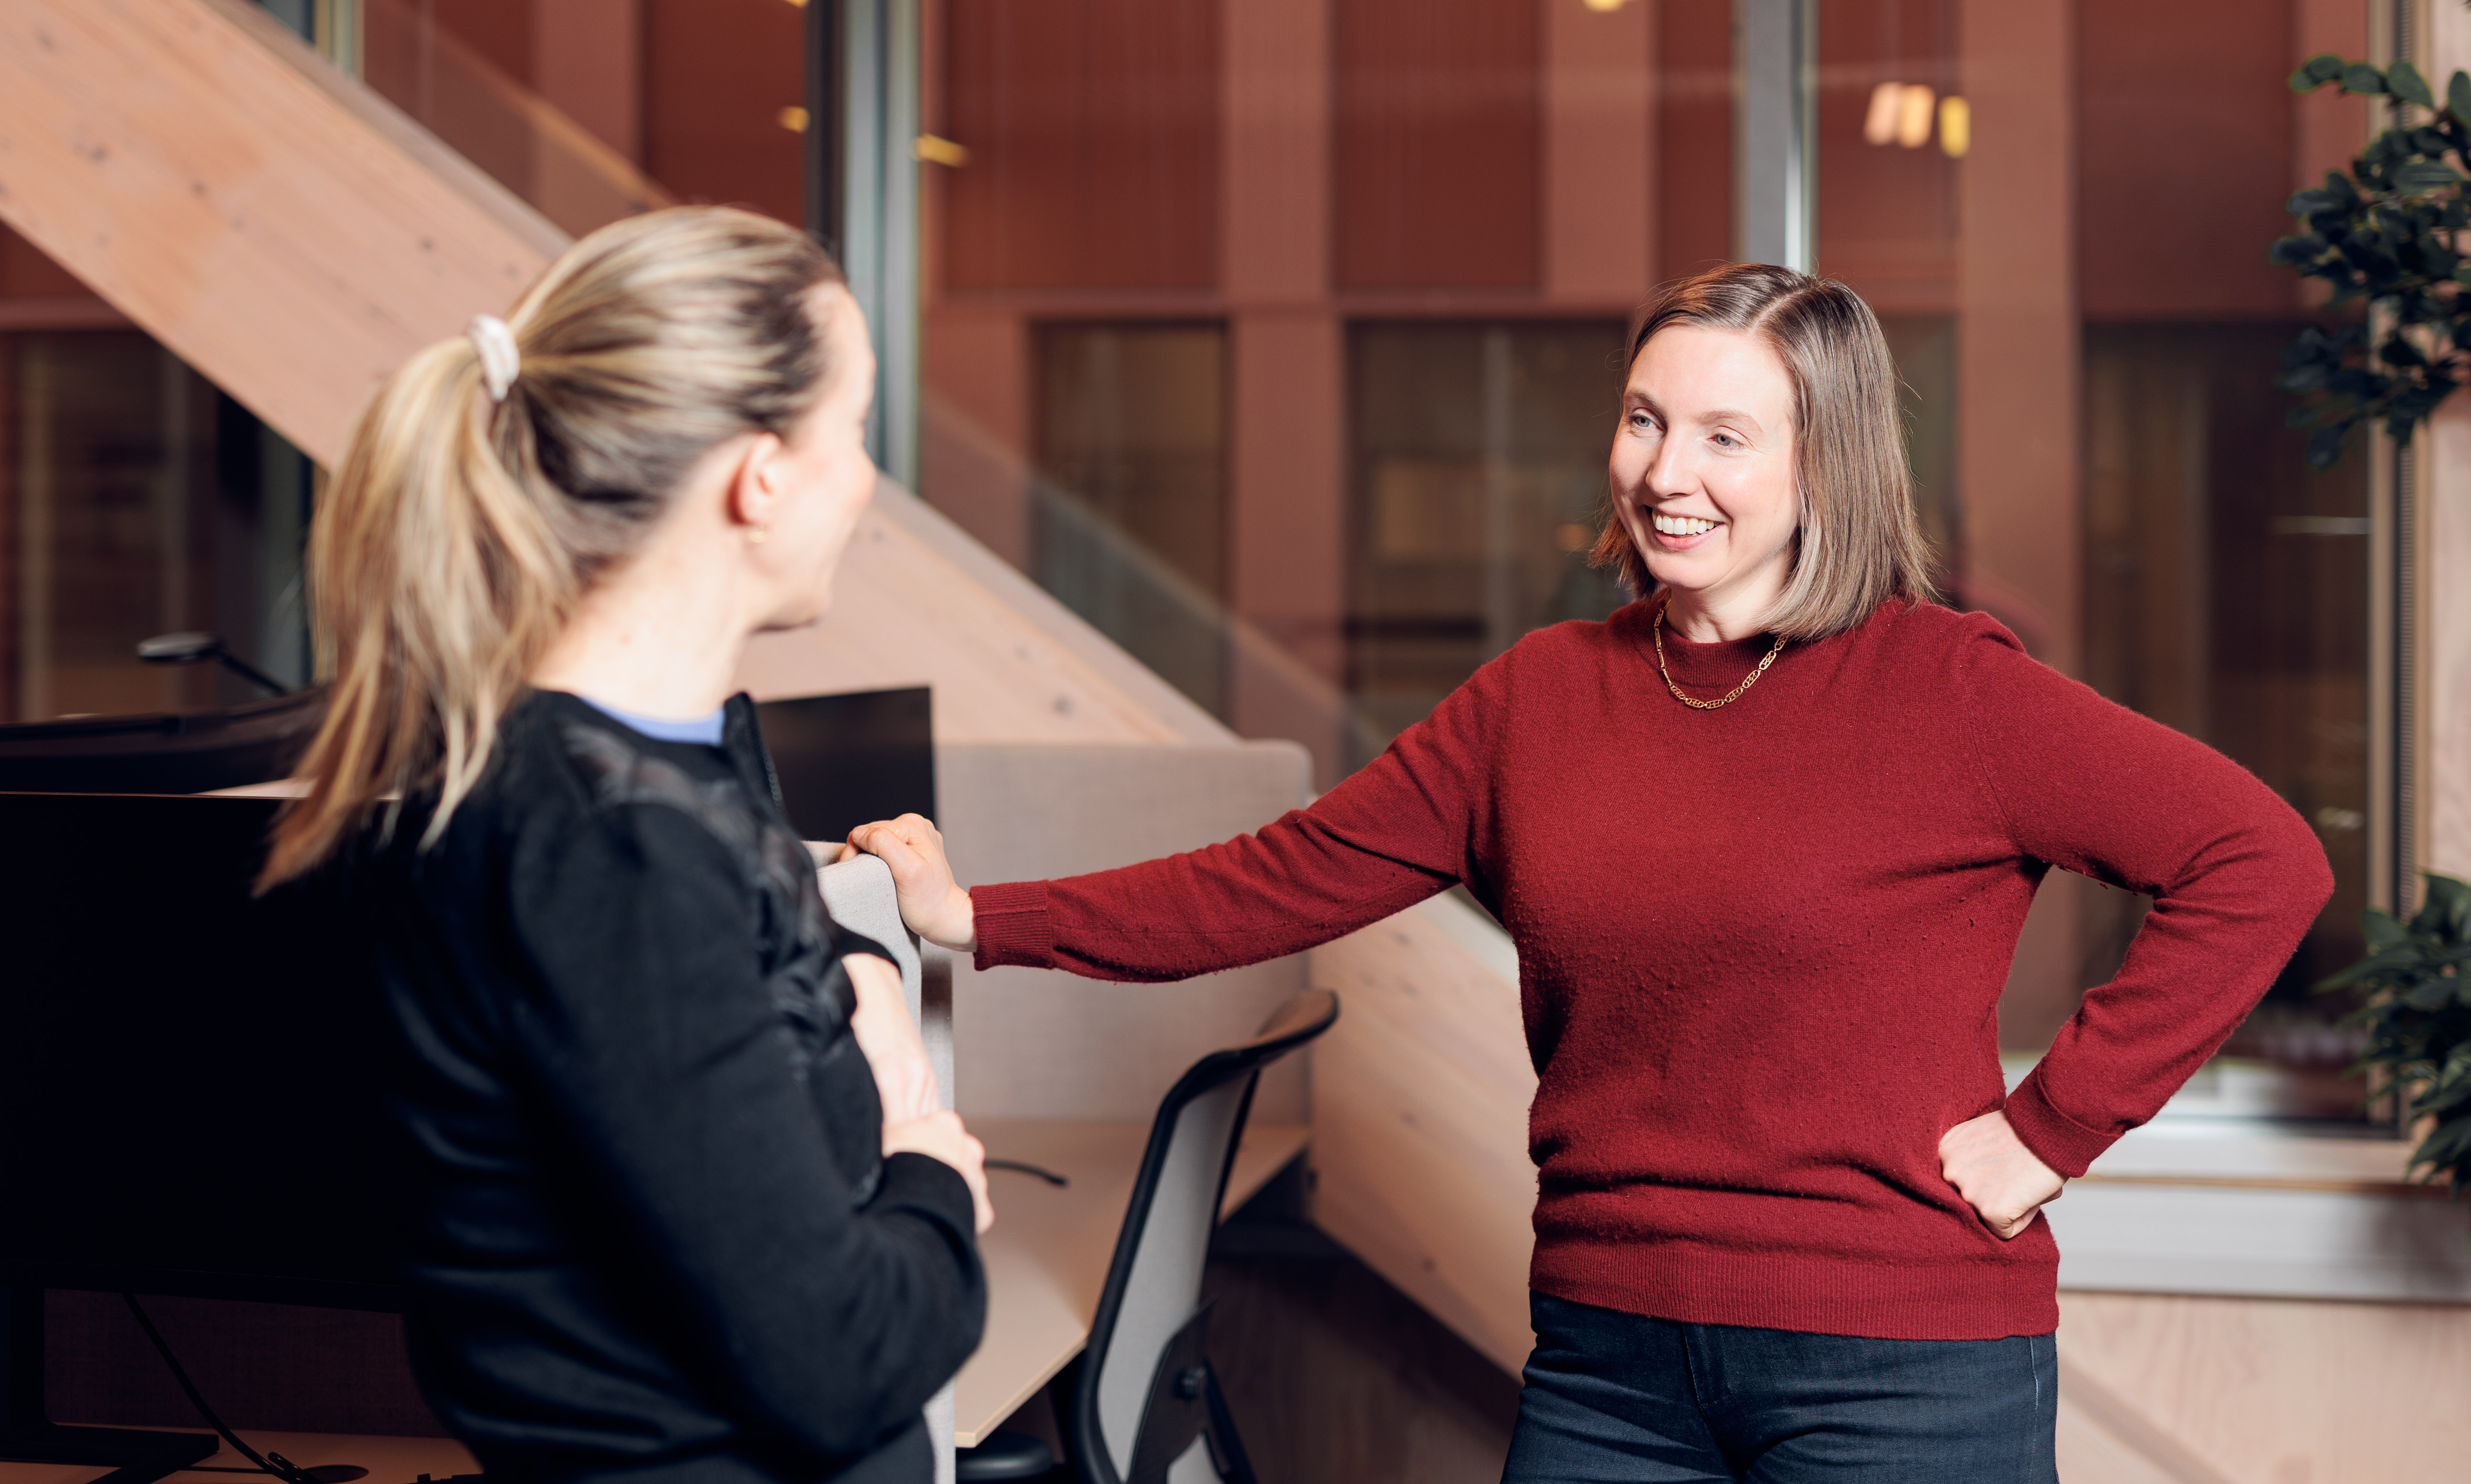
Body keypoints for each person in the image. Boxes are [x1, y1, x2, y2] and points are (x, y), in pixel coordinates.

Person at [857, 264, 2333, 1482]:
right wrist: (977, 919)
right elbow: (1278, 881)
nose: (1665, 474)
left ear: (1825, 462)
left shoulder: (1950, 689)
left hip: (1901, 1372)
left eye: (1725, 437)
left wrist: (2053, 1128)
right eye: (1645, 420)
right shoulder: (1542, 699)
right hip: (1609, 1362)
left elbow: (2258, 862)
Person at [262, 207, 991, 1484]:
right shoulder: (613, 848)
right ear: (759, 477)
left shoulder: (637, 770)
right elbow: (841, 1361)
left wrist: (857, 991)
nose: (869, 481)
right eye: (857, 431)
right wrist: (931, 1177)